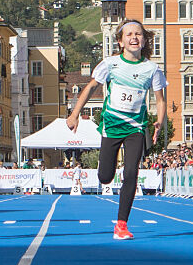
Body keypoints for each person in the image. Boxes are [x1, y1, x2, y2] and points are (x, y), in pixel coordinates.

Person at [66, 19, 167, 241]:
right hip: (111, 126)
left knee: (131, 172)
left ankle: (121, 225)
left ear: (144, 40)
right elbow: (91, 87)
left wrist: (159, 121)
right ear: (120, 42)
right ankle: (111, 170)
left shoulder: (152, 69)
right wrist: (74, 114)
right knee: (104, 177)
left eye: (138, 34)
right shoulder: (110, 64)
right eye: (129, 34)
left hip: (135, 128)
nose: (134, 37)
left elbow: (160, 99)